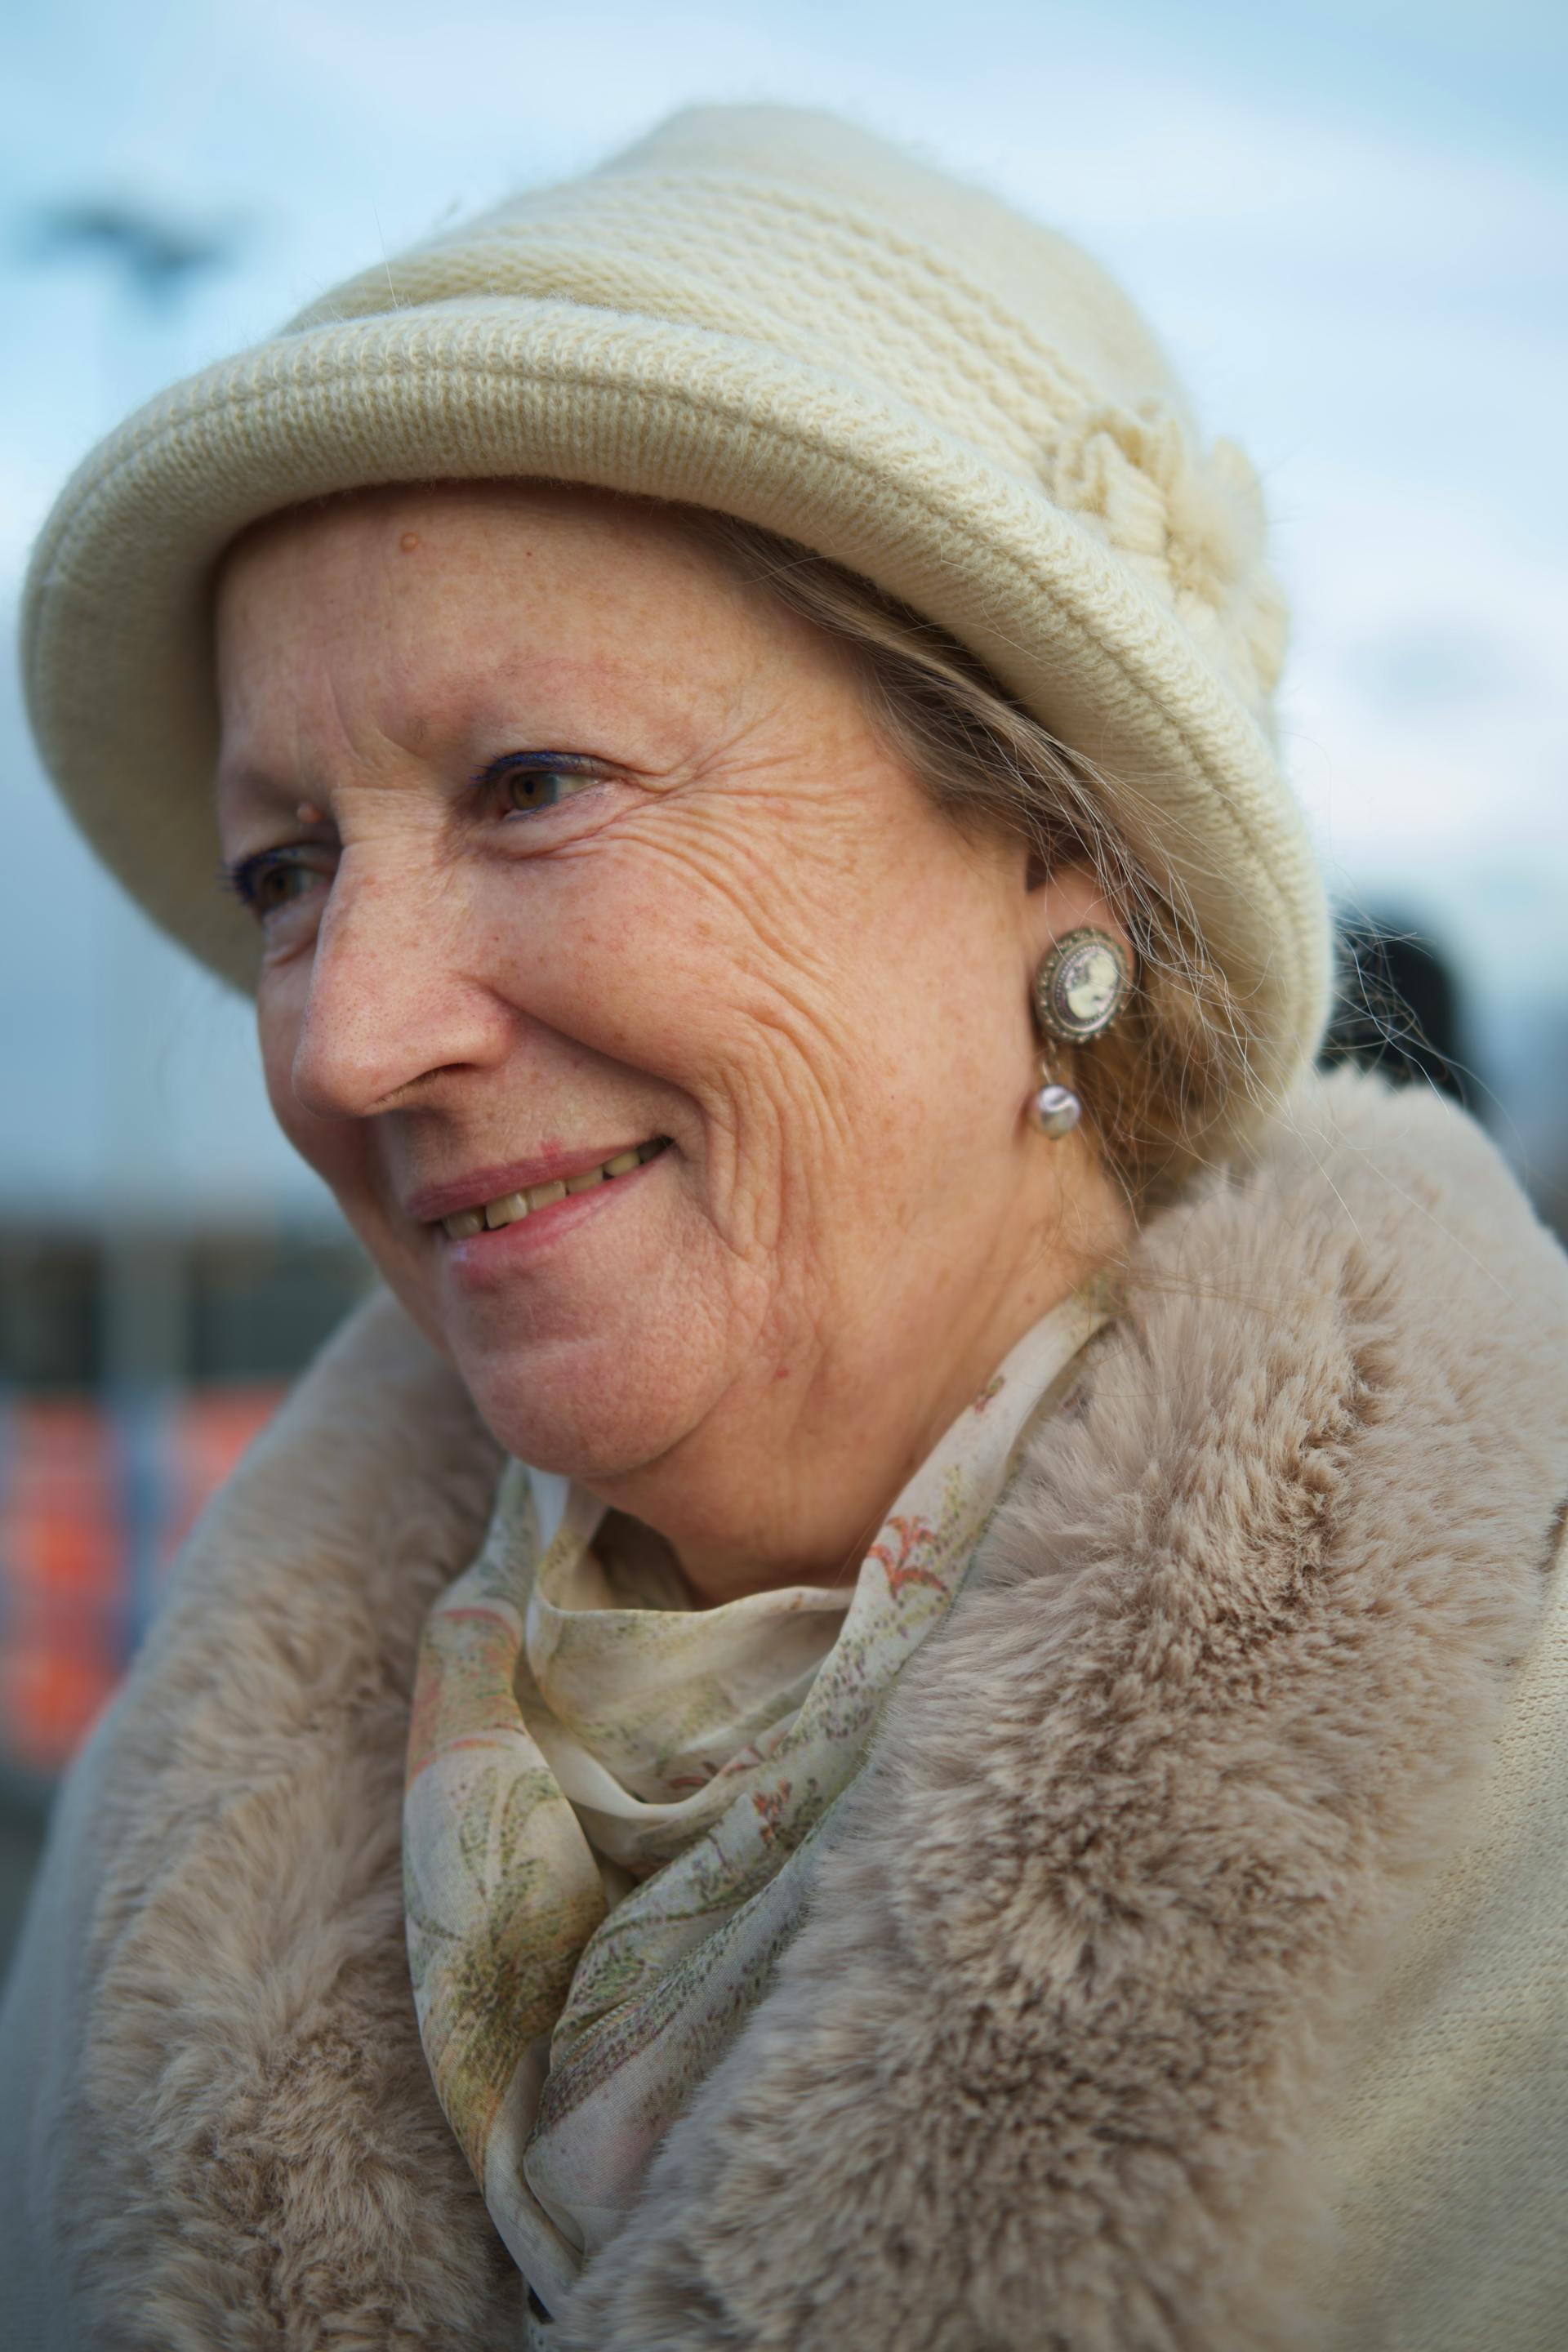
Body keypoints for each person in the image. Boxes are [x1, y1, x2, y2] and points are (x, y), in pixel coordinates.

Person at [3, 105, 1566, 2352]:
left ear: (1063, 856)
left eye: (531, 784)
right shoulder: (172, 1840)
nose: (347, 1038)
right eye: (289, 874)